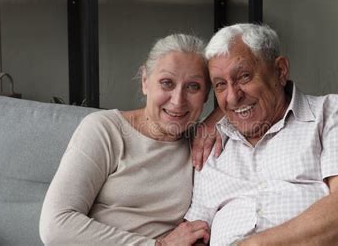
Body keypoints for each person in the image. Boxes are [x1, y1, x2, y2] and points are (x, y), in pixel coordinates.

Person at [185, 23, 338, 245]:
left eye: (244, 77)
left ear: (281, 71)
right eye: (220, 85)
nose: (232, 97)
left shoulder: (336, 114)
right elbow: (196, 231)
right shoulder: (212, 144)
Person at [40, 34, 212, 245]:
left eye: (193, 86)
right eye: (167, 83)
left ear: (206, 95)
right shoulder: (105, 129)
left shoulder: (204, 142)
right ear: (145, 81)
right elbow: (55, 226)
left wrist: (214, 120)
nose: (178, 101)